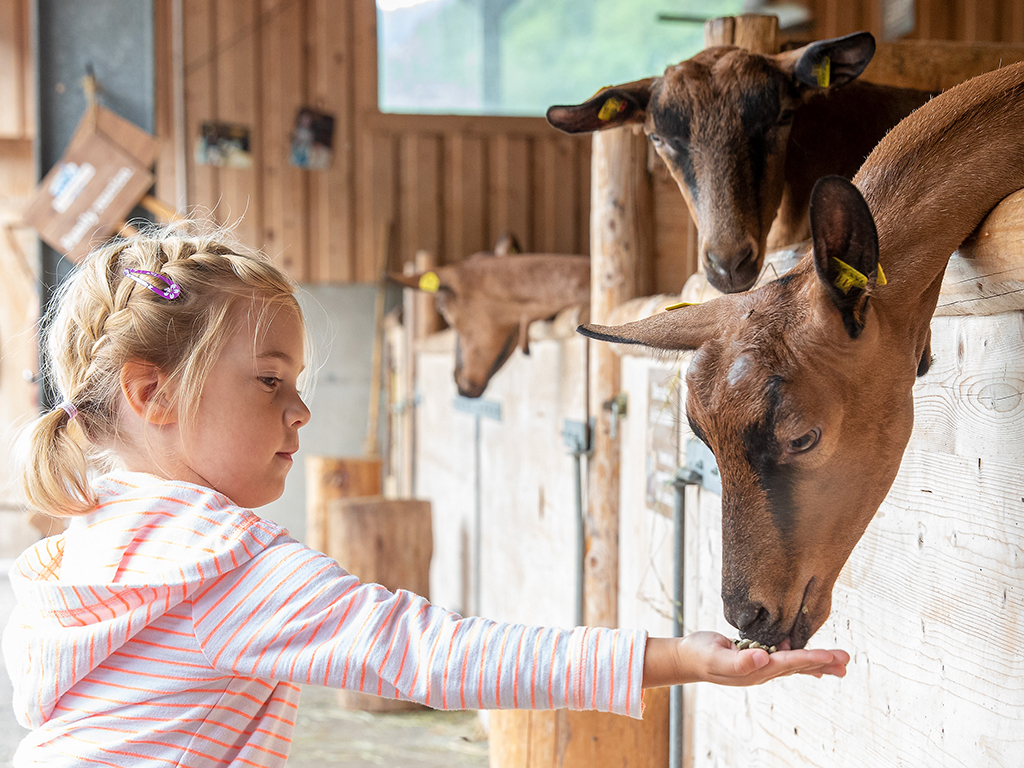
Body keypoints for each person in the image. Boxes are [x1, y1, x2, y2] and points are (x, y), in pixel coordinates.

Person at [2, 225, 849, 767]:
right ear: (151, 394)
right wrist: (675, 659)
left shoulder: (89, 543)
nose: (300, 410)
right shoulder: (217, 564)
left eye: (296, 381)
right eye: (269, 382)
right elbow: (434, 655)